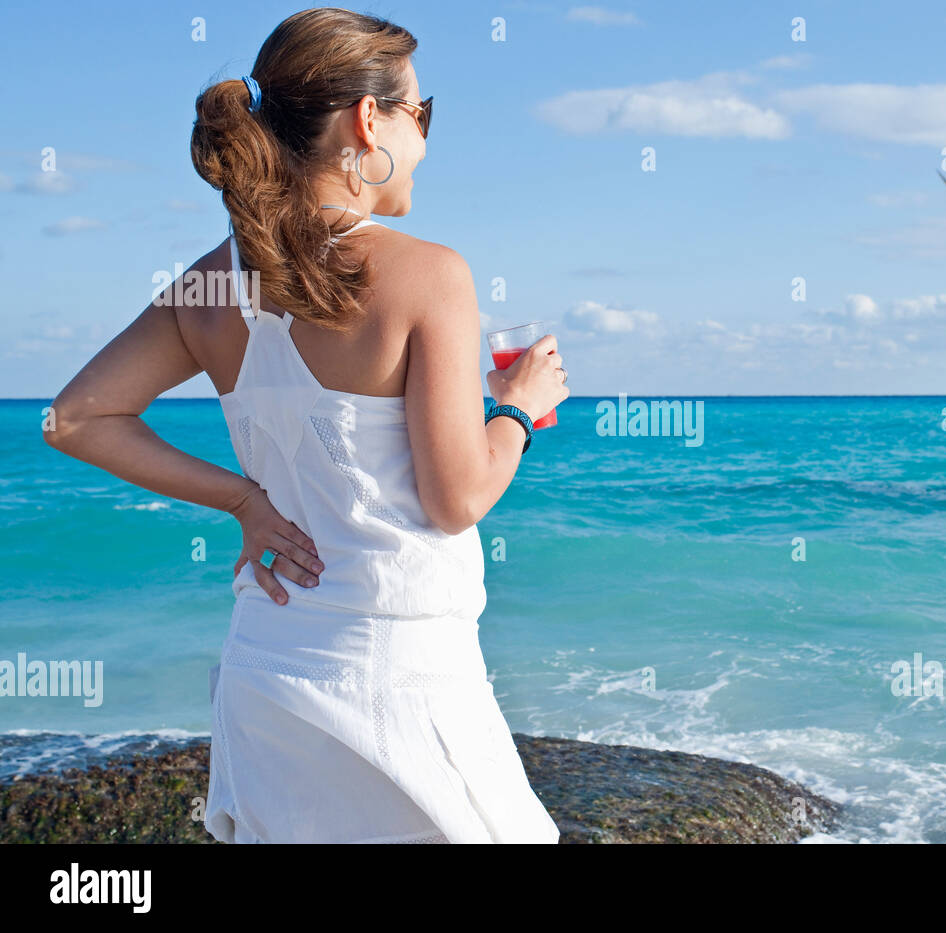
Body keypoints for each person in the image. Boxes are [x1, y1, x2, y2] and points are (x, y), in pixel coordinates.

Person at [43, 7, 568, 843]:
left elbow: (74, 420)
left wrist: (244, 502)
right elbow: (458, 496)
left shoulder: (212, 284)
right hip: (405, 678)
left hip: (267, 673)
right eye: (420, 114)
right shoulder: (429, 274)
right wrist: (517, 410)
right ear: (370, 120)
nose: (426, 140)